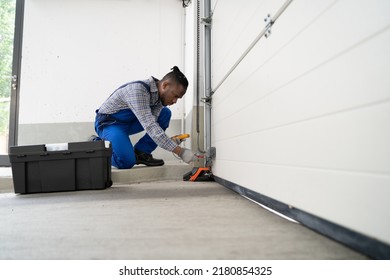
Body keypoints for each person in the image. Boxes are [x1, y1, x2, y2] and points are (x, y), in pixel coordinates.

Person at [93, 66, 196, 169]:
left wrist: (169, 142)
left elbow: (154, 124)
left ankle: (141, 152)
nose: (175, 101)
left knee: (165, 113)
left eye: (178, 98)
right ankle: (96, 145)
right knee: (126, 162)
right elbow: (150, 126)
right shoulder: (138, 90)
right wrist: (180, 151)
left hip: (129, 122)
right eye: (175, 96)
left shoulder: (160, 98)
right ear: (165, 85)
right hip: (109, 124)